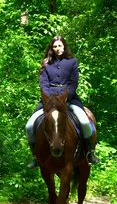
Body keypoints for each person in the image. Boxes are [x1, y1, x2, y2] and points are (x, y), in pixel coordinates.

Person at [25, 35, 99, 169]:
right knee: (29, 126)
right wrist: (50, 100)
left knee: (84, 121)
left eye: (60, 46)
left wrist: (64, 98)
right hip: (48, 100)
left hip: (68, 98)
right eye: (55, 46)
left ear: (64, 46)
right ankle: (35, 157)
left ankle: (89, 152)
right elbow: (43, 84)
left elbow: (73, 82)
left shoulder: (72, 62)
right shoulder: (46, 64)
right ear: (51, 48)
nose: (58, 48)